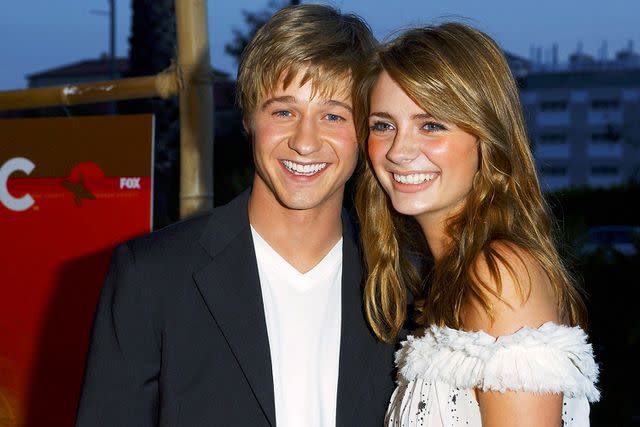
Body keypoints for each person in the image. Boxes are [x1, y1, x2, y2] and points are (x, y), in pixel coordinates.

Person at [76, 5, 396, 426]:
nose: (305, 141)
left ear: (364, 131)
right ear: (248, 117)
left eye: (333, 116)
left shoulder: (404, 282)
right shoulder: (151, 277)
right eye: (284, 111)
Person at [353, 23, 599, 426]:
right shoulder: (449, 277)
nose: (399, 150)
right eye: (383, 125)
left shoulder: (500, 277)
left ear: (486, 136)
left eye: (431, 124)